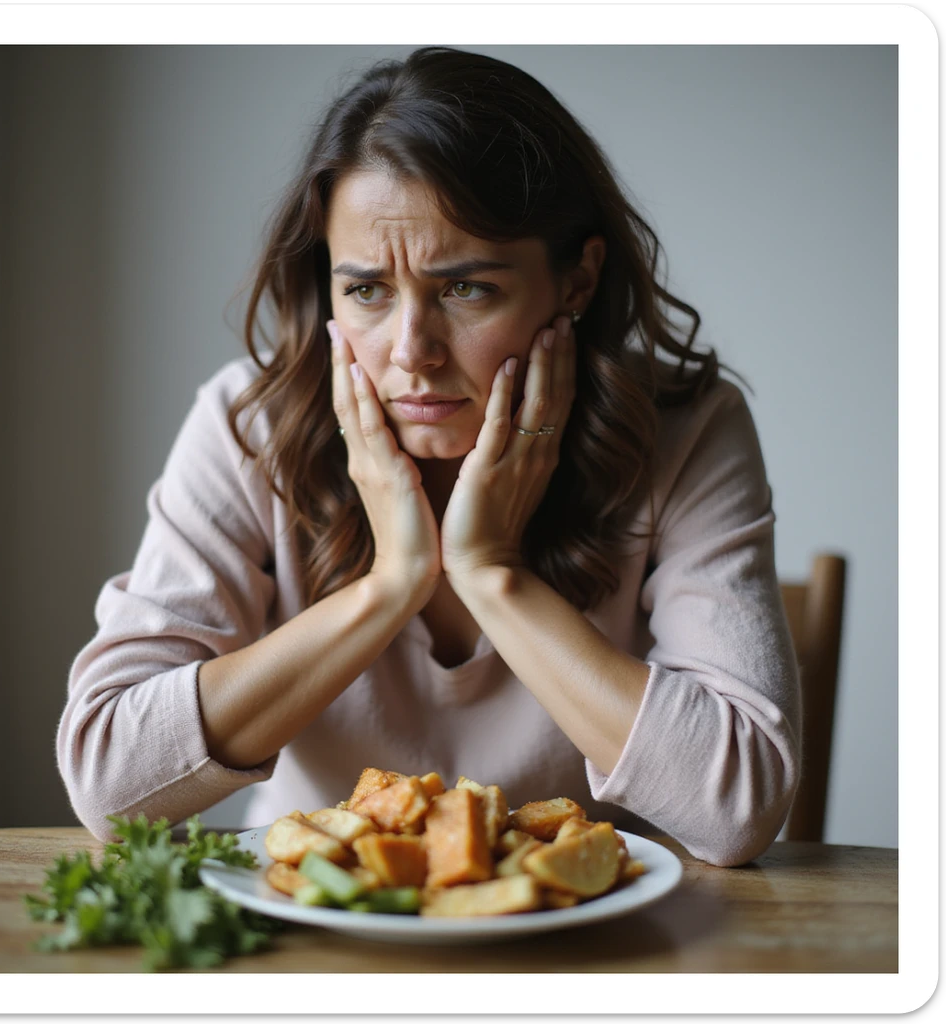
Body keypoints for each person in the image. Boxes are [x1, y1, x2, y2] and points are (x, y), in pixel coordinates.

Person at [57, 47, 801, 867]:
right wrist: (389, 587)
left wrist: (491, 573)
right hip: (319, 928)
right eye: (367, 290)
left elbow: (740, 808)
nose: (412, 353)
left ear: (577, 281)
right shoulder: (250, 425)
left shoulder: (688, 429)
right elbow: (108, 780)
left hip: (590, 940)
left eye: (465, 289)